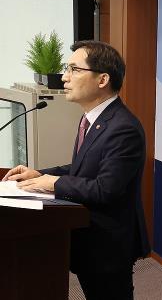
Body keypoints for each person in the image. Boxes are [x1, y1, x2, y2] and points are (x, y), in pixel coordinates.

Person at [2, 40, 149, 300]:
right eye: (66, 69)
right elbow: (84, 168)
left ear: (102, 79)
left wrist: (53, 183)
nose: (65, 77)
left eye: (74, 70)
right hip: (88, 233)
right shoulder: (91, 117)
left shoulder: (123, 128)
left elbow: (106, 188)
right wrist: (40, 173)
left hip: (108, 242)